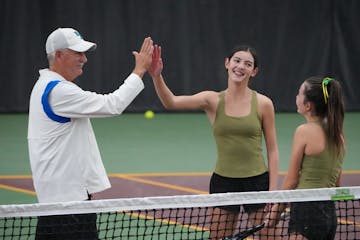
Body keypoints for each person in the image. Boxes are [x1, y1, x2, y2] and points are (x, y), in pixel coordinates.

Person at [27, 27, 154, 239]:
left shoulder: (44, 85)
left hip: (62, 203)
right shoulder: (58, 90)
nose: (84, 59)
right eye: (78, 53)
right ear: (58, 55)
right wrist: (139, 70)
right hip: (68, 208)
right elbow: (112, 104)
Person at [148, 44, 279, 239]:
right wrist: (156, 76)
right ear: (227, 63)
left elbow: (273, 150)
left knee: (271, 238)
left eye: (248, 64)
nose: (241, 66)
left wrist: (273, 192)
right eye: (237, 60)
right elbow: (171, 102)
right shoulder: (211, 100)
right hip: (223, 182)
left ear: (254, 71)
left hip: (257, 182)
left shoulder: (263, 103)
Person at [267, 77, 345, 239]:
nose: (296, 98)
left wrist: (275, 213)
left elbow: (291, 180)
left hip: (306, 210)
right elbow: (336, 184)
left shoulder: (304, 131)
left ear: (308, 105)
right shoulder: (339, 136)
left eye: (299, 94)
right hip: (329, 215)